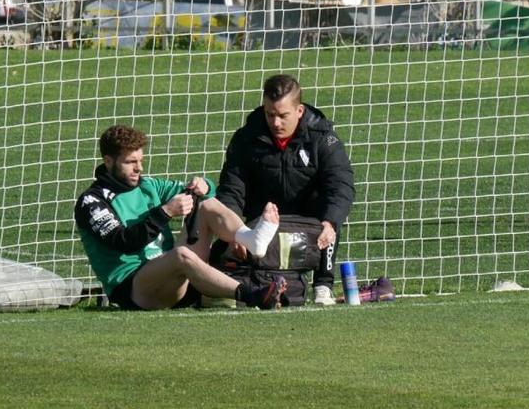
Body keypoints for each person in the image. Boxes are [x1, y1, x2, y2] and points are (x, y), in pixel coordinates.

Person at [75, 125, 287, 310]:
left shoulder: (149, 185)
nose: (139, 168)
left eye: (140, 160)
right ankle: (252, 294)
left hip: (172, 280)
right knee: (180, 255)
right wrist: (165, 212)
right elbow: (123, 241)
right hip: (135, 289)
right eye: (131, 162)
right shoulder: (91, 202)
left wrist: (204, 185)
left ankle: (250, 239)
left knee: (203, 202)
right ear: (108, 161)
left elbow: (201, 192)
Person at [216, 74, 355, 305]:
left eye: (283, 115)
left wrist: (330, 222)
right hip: (261, 225)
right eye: (270, 114)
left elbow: (341, 185)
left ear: (299, 111)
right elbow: (231, 188)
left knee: (330, 214)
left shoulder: (323, 138)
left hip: (309, 223)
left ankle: (323, 284)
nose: (276, 122)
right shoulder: (246, 138)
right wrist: (235, 231)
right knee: (222, 246)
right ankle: (252, 286)